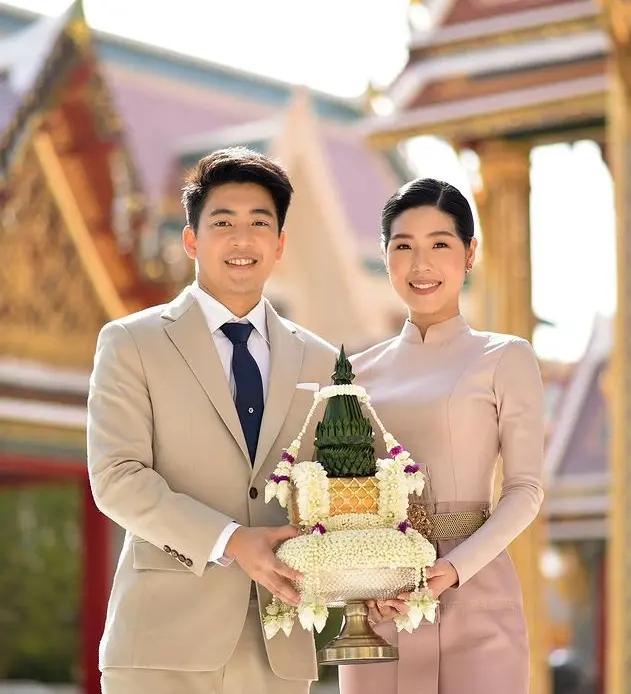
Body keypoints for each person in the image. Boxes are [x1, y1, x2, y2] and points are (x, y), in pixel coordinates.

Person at [87, 147, 337, 694]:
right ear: (191, 240)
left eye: (259, 223)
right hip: (161, 646)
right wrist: (232, 540)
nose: (242, 240)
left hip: (278, 648)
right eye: (223, 223)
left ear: (280, 244)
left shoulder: (322, 362)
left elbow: (336, 485)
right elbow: (117, 479)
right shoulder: (132, 343)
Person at [338, 178, 545, 694]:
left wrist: (452, 569)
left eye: (439, 245)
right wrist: (363, 581)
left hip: (475, 596)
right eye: (403, 246)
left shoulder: (505, 357)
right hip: (379, 602)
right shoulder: (354, 373)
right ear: (385, 256)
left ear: (470, 253)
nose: (421, 264)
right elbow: (343, 493)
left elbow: (525, 490)